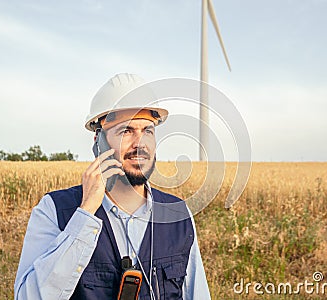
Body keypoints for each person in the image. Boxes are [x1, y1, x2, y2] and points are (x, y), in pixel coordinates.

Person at [14, 73, 211, 300]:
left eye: (147, 131)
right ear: (99, 142)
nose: (140, 144)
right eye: (126, 131)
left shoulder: (177, 214)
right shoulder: (54, 210)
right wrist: (85, 215)